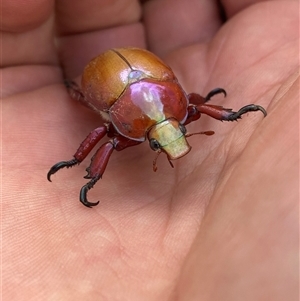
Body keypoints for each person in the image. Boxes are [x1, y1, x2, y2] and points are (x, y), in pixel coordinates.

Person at [2, 1, 298, 300]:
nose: (174, 144)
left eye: (175, 133)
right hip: (108, 75)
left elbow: (192, 102)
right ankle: (87, 168)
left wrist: (228, 115)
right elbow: (104, 133)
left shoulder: (181, 103)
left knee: (192, 105)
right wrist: (80, 162)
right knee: (107, 134)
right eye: (160, 142)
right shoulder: (123, 126)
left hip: (141, 74)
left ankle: (229, 114)